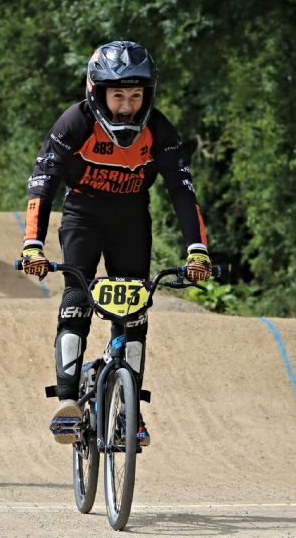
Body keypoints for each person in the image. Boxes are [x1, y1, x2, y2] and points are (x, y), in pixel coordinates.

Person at [20, 41, 213, 445]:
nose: (127, 106)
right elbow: (44, 182)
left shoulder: (160, 129)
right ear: (97, 92)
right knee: (76, 301)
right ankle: (68, 404)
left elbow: (182, 192)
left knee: (135, 312)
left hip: (130, 218)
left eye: (136, 95)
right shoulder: (74, 122)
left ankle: (131, 412)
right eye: (118, 95)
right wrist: (32, 245)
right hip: (83, 216)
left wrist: (198, 250)